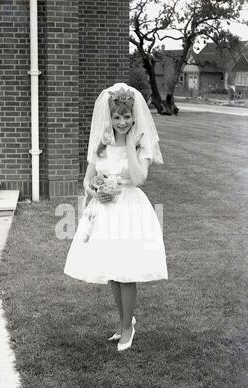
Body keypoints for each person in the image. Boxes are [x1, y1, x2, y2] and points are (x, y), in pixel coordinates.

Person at [64, 83, 168, 351]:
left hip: (130, 209)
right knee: (112, 270)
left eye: (126, 116)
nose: (122, 122)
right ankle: (125, 321)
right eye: (117, 116)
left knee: (126, 270)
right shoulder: (102, 143)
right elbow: (87, 181)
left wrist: (132, 146)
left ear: (134, 115)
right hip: (105, 209)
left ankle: (126, 329)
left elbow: (139, 178)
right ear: (109, 118)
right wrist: (96, 193)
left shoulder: (141, 142)